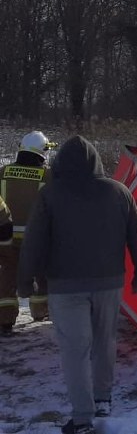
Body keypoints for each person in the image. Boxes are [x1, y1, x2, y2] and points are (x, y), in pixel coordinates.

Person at [17, 135, 137, 434]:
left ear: (60, 163)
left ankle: (82, 418)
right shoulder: (119, 192)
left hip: (65, 286)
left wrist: (26, 282)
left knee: (75, 349)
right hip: (109, 283)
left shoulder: (50, 195)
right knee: (105, 341)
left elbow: (34, 242)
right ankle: (103, 398)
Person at [0, 130, 54, 335]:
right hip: (36, 239)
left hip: (6, 237)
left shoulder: (3, 172)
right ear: (42, 153)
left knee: (7, 274)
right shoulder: (48, 176)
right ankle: (40, 311)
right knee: (41, 274)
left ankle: (5, 318)